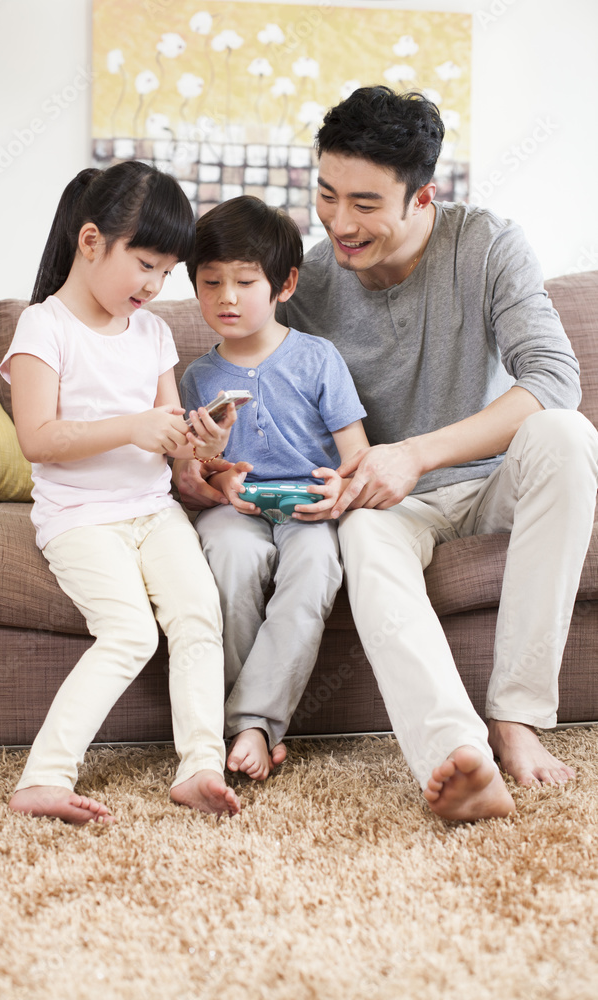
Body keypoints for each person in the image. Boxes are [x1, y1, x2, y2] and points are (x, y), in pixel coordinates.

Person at [176, 88, 598, 821]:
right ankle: (454, 757)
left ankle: (516, 719)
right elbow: (263, 391)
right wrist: (214, 465)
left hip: (481, 478)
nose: (341, 222)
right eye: (327, 195)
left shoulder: (486, 244)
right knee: (364, 535)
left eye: (365, 203)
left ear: (421, 196)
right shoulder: (302, 287)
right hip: (384, 501)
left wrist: (413, 454)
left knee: (567, 434)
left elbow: (554, 379)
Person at [0, 161, 241, 824]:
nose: (155, 285)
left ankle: (200, 766)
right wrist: (133, 426)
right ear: (89, 243)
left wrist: (201, 442)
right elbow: (38, 438)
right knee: (130, 631)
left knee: (198, 614)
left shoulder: (153, 333)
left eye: (165, 271)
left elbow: (169, 441)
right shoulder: (42, 328)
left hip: (152, 510)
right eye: (144, 264)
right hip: (79, 519)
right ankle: (42, 779)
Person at [177, 195, 369, 780]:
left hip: (308, 508)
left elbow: (355, 452)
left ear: (284, 285)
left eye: (243, 281)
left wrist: (337, 487)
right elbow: (195, 472)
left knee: (313, 571)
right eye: (210, 283)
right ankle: (238, 727)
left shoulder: (319, 358)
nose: (226, 298)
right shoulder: (197, 376)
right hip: (237, 507)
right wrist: (217, 474)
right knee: (231, 561)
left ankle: (256, 721)